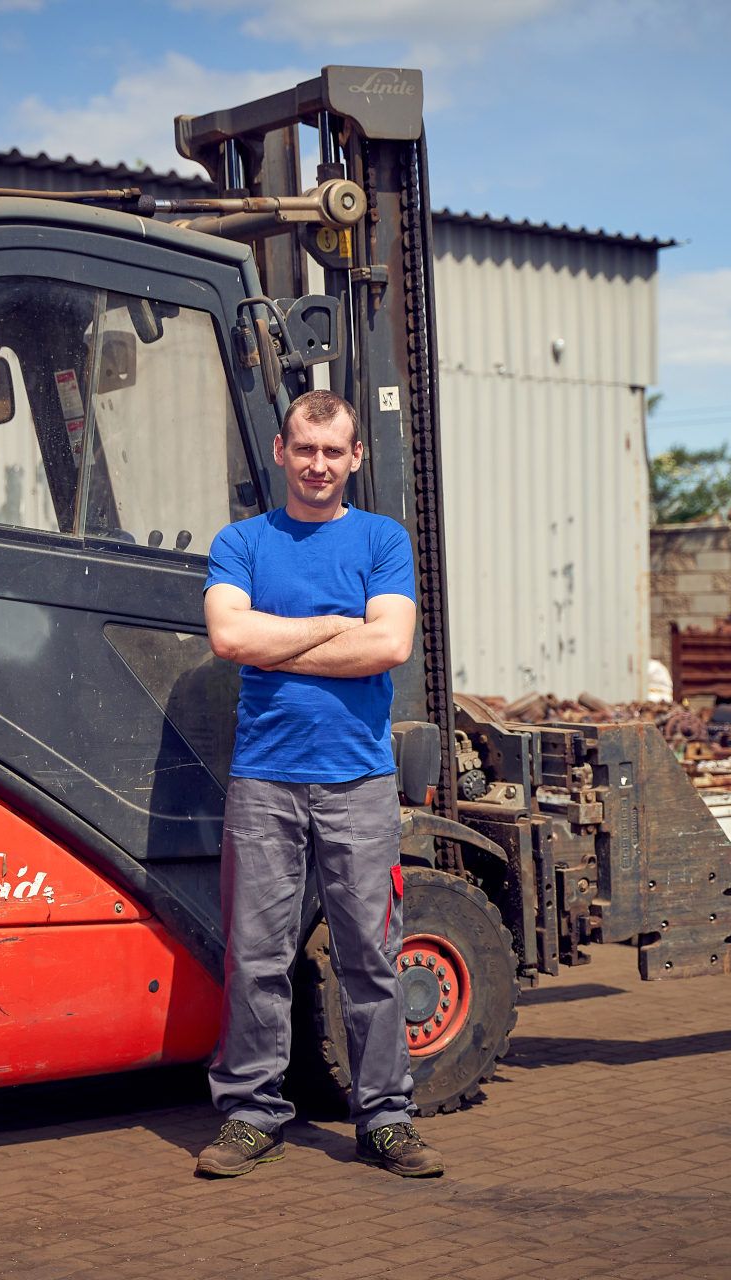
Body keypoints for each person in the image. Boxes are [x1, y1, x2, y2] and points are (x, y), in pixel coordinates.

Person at [195, 388, 445, 1180]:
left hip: (359, 784)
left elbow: (391, 646)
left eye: (333, 451)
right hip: (265, 781)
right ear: (280, 451)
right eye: (305, 449)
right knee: (256, 955)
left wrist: (277, 646)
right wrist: (340, 625)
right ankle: (250, 1113)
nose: (318, 464)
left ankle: (385, 1119)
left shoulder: (382, 538)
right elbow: (229, 634)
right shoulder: (242, 542)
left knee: (371, 955)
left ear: (355, 457)